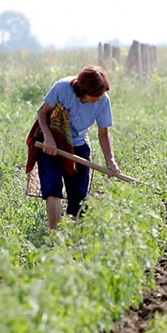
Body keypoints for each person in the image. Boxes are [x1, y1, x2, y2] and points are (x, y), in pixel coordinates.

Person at [28, 65, 120, 230]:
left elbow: (103, 133)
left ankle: (75, 238)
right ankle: (54, 235)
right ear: (84, 91)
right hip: (51, 142)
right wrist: (49, 138)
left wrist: (111, 161)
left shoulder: (103, 100)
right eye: (96, 95)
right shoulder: (62, 88)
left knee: (78, 196)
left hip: (78, 144)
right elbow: (42, 113)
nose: (99, 98)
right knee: (53, 188)